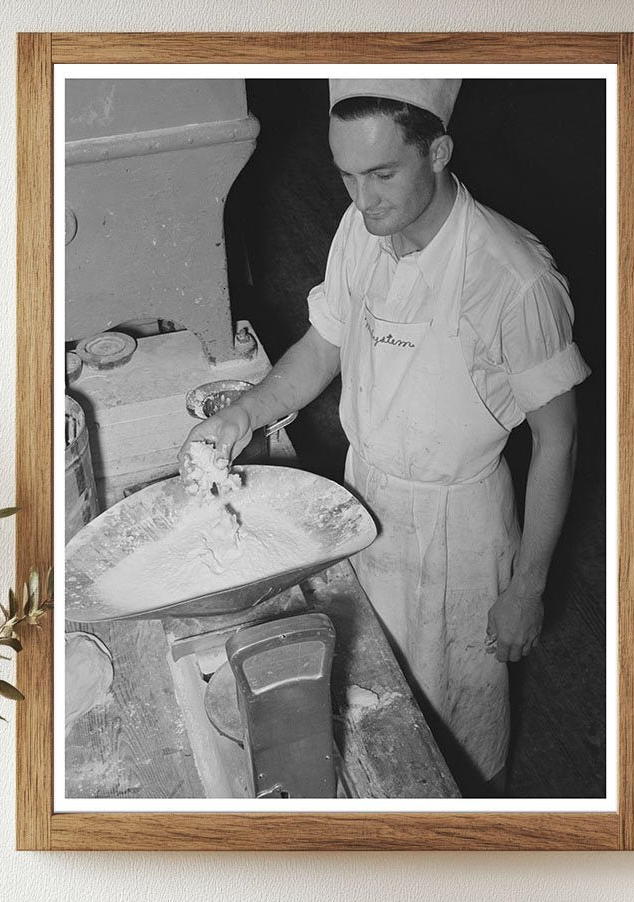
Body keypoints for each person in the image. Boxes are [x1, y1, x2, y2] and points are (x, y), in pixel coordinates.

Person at [180, 79, 590, 797]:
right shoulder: (360, 231)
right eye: (345, 174)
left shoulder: (513, 279)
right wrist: (244, 413)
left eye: (381, 175)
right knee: (367, 692)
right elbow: (321, 347)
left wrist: (527, 587)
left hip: (456, 530)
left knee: (456, 725)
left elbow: (558, 441)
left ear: (438, 150)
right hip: (364, 493)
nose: (361, 200)